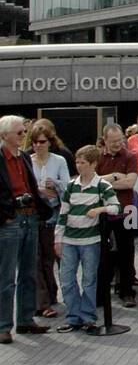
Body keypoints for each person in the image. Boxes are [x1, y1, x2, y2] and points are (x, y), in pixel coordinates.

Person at [54, 145, 120, 332]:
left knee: (89, 279)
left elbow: (116, 207)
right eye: (77, 162)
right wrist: (58, 238)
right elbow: (63, 213)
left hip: (90, 240)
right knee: (66, 279)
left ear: (93, 164)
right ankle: (73, 316)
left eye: (83, 162)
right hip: (69, 239)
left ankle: (88, 316)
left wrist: (99, 209)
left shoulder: (102, 185)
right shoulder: (71, 185)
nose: (78, 166)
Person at [0, 115, 54, 342]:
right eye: (20, 132)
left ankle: (25, 319)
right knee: (7, 277)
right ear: (5, 135)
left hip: (30, 218)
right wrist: (7, 212)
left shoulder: (23, 157)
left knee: (29, 273)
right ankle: (3, 326)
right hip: (10, 220)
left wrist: (42, 206)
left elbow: (31, 186)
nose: (24, 136)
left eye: (24, 131)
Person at [27, 120, 70, 317]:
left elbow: (67, 187)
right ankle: (42, 303)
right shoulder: (27, 160)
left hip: (54, 214)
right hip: (33, 213)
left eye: (42, 141)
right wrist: (41, 190)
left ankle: (53, 295)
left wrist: (56, 185)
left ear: (50, 142)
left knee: (50, 257)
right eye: (35, 142)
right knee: (35, 259)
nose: (38, 145)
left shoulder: (59, 160)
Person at [95, 123, 138, 309]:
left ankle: (127, 291)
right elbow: (91, 181)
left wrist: (104, 182)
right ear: (104, 140)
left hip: (127, 210)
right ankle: (100, 293)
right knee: (100, 252)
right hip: (104, 211)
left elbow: (129, 183)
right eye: (113, 141)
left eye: (119, 140)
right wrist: (114, 176)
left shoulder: (130, 156)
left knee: (127, 250)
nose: (117, 144)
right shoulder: (97, 157)